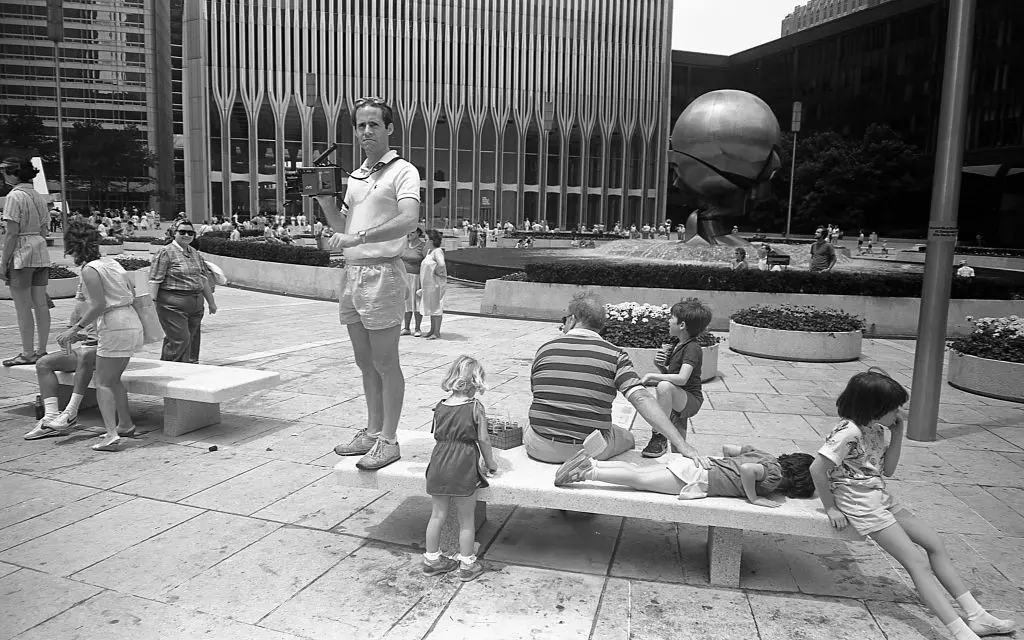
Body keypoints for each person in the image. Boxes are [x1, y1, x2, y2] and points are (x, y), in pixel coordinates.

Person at [809, 370, 1015, 640]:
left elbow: (889, 470)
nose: (899, 413)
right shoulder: (848, 432)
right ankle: (960, 632)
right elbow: (816, 468)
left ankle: (976, 616)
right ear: (875, 407)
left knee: (934, 542)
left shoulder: (876, 429)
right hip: (859, 503)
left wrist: (897, 434)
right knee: (916, 562)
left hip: (878, 495)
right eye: (894, 409)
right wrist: (832, 508)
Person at [313, 96, 420, 471]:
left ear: (389, 129)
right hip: (351, 274)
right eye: (360, 125)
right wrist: (325, 203)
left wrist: (361, 238)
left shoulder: (403, 171)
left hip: (382, 272)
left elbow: (409, 219)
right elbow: (344, 228)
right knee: (364, 362)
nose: (366, 132)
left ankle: (389, 439)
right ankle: (373, 430)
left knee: (385, 361)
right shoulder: (356, 177)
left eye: (374, 124)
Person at [526, 292, 711, 468]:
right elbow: (640, 398)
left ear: (573, 319)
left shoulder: (545, 349)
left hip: (541, 448)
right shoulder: (615, 355)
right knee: (627, 438)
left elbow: (537, 391)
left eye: (564, 320)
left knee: (530, 423)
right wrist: (682, 445)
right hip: (591, 450)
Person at [58, 221, 144, 451]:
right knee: (114, 379)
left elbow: (97, 305)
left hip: (113, 323)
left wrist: (75, 329)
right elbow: (132, 291)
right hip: (130, 320)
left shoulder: (90, 269)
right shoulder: (112, 262)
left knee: (103, 382)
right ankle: (125, 424)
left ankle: (111, 434)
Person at [556, 437, 815, 505]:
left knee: (638, 470)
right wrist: (753, 497)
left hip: (697, 467)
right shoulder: (775, 475)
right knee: (638, 480)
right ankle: (588, 472)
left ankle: (594, 464)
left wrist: (726, 468)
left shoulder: (767, 456)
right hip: (699, 477)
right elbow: (748, 470)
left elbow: (730, 449)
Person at [421, 356, 498, 582]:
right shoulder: (475, 407)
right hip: (463, 464)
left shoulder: (440, 405)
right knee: (466, 519)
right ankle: (467, 564)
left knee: (437, 514)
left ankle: (432, 560)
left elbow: (437, 434)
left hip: (438, 462)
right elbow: (483, 439)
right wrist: (491, 464)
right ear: (475, 382)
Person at [638, 299, 711, 458]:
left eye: (672, 318)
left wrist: (652, 375)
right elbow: (675, 377)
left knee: (663, 387)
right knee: (678, 451)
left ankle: (659, 435)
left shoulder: (693, 348)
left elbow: (682, 379)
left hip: (689, 400)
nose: (668, 321)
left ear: (682, 325)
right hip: (677, 399)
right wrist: (661, 367)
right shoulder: (678, 345)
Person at [23, 286, 98, 440]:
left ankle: (71, 412)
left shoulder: (105, 301)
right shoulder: (82, 301)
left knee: (85, 354)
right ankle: (50, 417)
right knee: (43, 363)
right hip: (87, 348)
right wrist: (74, 336)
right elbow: (74, 330)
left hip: (107, 349)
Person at [1, 157, 52, 367]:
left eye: (4, 172)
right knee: (40, 305)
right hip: (40, 252)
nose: (3, 176)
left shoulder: (14, 196)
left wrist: (3, 262)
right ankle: (41, 350)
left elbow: (11, 233)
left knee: (22, 307)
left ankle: (27, 352)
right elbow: (44, 227)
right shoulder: (38, 195)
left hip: (22, 254)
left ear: (14, 173)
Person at [149, 220, 217, 363]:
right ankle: (171, 368)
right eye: (182, 232)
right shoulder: (165, 252)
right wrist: (151, 305)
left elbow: (203, 279)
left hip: (196, 305)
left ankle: (187, 370)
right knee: (180, 339)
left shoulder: (194, 253)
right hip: (172, 305)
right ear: (175, 233)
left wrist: (211, 303)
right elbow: (155, 280)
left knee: (190, 340)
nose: (187, 235)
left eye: (190, 233)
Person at [419, 229, 447, 340]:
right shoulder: (430, 252)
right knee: (432, 306)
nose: (424, 241)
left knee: (437, 307)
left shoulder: (438, 251)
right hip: (429, 285)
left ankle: (437, 332)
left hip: (436, 284)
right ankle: (432, 329)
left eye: (426, 239)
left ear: (431, 240)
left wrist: (437, 272)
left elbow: (442, 264)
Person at [400, 227, 426, 337]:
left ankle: (417, 328)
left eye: (412, 231)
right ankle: (406, 327)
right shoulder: (404, 244)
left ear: (418, 233)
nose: (409, 234)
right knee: (406, 302)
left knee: (416, 302)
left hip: (417, 277)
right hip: (404, 277)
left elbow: (427, 262)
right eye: (408, 231)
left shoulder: (422, 246)